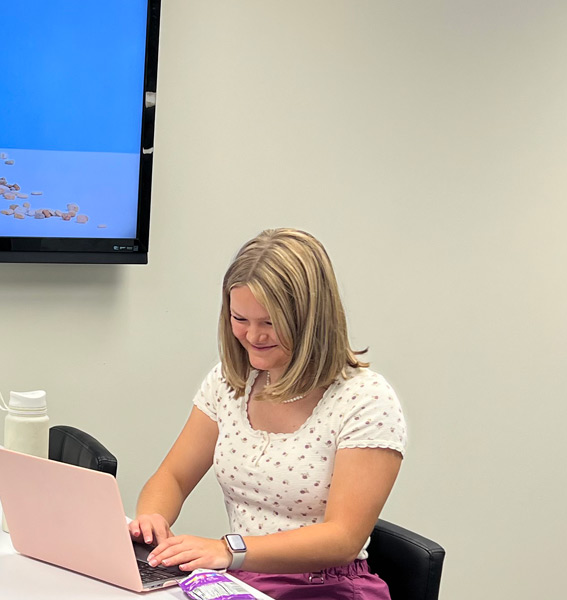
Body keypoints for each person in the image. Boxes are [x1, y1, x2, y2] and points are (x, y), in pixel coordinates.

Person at [130, 228, 406, 600]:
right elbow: (174, 477)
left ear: (310, 320)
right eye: (240, 319)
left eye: (270, 323)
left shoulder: (365, 400)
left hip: (328, 588)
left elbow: (343, 537)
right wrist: (152, 521)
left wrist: (228, 550)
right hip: (244, 581)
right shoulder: (231, 382)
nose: (252, 336)